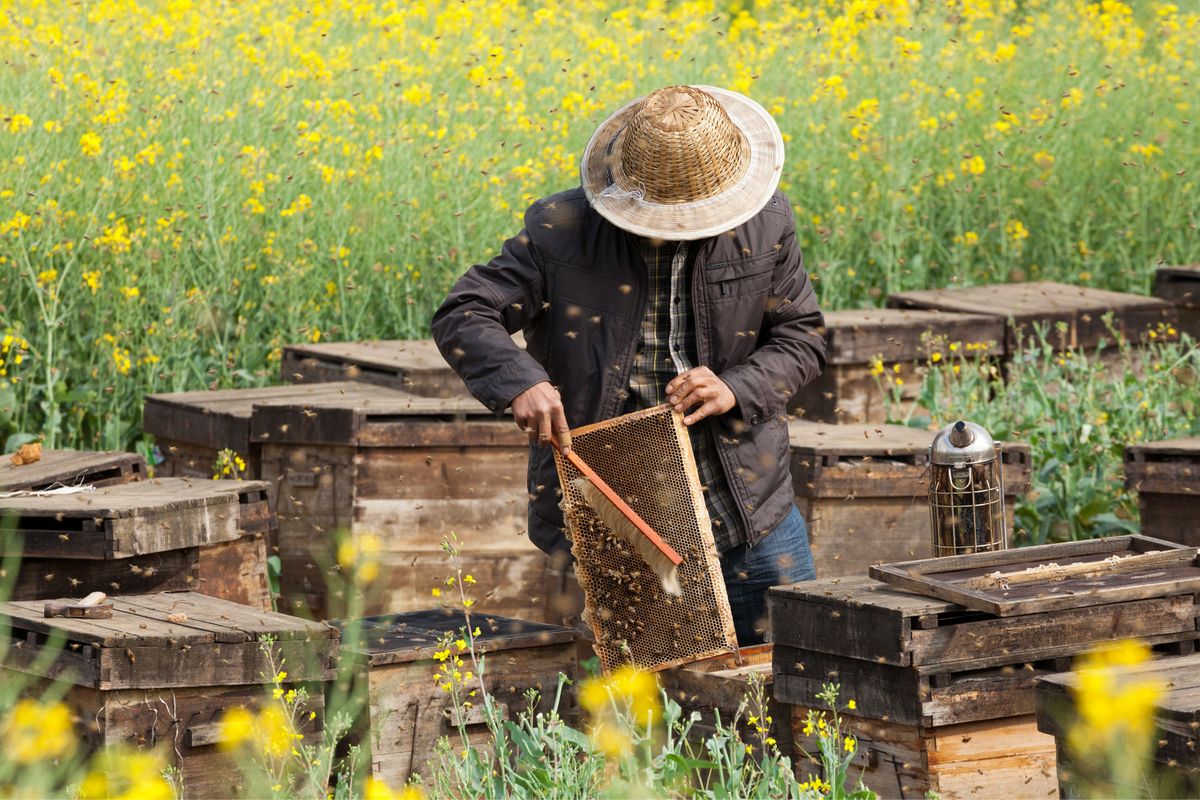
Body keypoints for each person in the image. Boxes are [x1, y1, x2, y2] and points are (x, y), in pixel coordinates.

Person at [431, 84, 826, 643]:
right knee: (642, 713)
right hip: (616, 513)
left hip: (749, 508)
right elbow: (465, 311)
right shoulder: (560, 229)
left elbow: (801, 338)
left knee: (793, 684)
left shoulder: (767, 223)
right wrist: (521, 382)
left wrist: (737, 387)